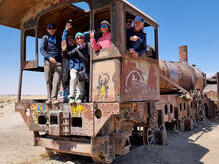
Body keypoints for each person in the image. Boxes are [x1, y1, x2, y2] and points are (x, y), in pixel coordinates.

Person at [62, 32, 89, 103]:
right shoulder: (75, 49)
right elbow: (68, 55)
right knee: (73, 78)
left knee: (81, 83)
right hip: (74, 67)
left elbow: (87, 58)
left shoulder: (87, 47)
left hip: (83, 68)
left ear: (83, 39)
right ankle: (72, 97)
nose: (79, 39)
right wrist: (64, 51)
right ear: (76, 40)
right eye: (77, 38)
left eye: (81, 38)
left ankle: (79, 98)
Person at [40, 23, 62, 104]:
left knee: (56, 80)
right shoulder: (45, 38)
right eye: (49, 28)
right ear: (47, 29)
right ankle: (49, 98)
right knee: (48, 80)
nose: (51, 29)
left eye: (53, 28)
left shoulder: (59, 38)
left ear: (55, 29)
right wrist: (49, 58)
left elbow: (62, 48)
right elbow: (42, 50)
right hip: (48, 62)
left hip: (58, 62)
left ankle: (54, 98)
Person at [60, 21, 76, 102]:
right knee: (65, 81)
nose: (71, 41)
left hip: (75, 69)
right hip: (66, 69)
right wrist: (65, 30)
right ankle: (66, 97)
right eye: (69, 40)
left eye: (72, 40)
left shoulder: (76, 49)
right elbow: (63, 40)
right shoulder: (65, 50)